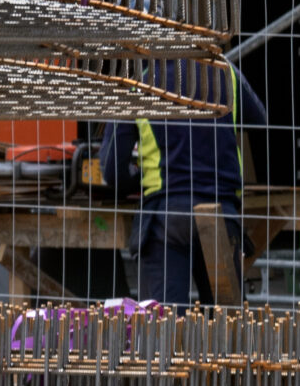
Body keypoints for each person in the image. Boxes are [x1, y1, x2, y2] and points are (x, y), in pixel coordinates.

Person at [100, 57, 267, 305]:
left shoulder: (138, 83)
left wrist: (141, 179)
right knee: (226, 330)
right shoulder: (224, 71)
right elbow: (260, 119)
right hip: (222, 212)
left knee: (161, 329)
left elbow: (112, 170)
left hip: (166, 216)